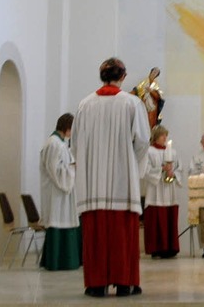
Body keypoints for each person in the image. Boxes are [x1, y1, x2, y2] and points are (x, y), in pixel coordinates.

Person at [71, 57, 150, 297]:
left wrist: (89, 164)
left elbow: (75, 144)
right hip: (122, 183)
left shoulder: (85, 104)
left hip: (93, 184)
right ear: (123, 77)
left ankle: (96, 284)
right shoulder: (131, 103)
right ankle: (125, 283)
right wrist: (129, 164)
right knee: (123, 236)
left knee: (95, 235)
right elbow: (143, 141)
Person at [39, 113, 81, 271]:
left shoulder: (61, 143)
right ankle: (57, 262)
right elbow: (54, 170)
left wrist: (71, 167)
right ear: (67, 127)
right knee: (58, 221)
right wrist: (71, 168)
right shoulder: (53, 144)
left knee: (66, 219)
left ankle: (65, 261)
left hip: (62, 193)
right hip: (56, 193)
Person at [143, 125, 183, 259]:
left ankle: (170, 248)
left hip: (169, 189)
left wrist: (173, 172)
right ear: (155, 137)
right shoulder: (149, 151)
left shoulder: (173, 152)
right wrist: (161, 169)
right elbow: (145, 169)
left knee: (169, 217)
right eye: (162, 135)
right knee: (156, 218)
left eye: (166, 135)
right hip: (155, 190)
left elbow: (180, 167)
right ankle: (156, 248)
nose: (165, 138)